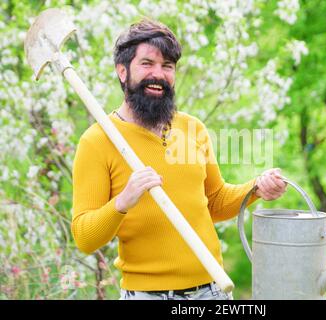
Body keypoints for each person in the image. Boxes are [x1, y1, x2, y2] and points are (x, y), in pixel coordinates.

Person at [71, 18, 287, 300]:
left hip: (213, 290)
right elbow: (85, 238)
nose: (158, 75)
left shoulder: (192, 128)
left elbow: (215, 201)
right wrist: (123, 201)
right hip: (147, 295)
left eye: (167, 66)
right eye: (147, 64)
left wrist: (255, 188)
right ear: (122, 71)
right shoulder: (98, 141)